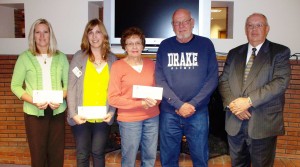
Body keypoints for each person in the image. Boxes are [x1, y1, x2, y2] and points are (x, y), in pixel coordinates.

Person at [218, 13, 291, 167]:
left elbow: (280, 82)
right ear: (246, 29)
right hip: (235, 121)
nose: (254, 29)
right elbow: (223, 80)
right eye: (250, 25)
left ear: (267, 29)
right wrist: (234, 104)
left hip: (262, 123)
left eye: (259, 25)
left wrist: (248, 101)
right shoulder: (234, 53)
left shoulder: (279, 52)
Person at [155, 9, 218, 167]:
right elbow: (160, 79)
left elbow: (212, 79)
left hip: (197, 113)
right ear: (172, 25)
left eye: (184, 21)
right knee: (168, 159)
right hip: (170, 113)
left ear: (192, 23)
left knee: (200, 158)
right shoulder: (165, 46)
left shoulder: (206, 44)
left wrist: (193, 104)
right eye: (177, 22)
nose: (181, 26)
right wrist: (179, 104)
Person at [10, 18, 69, 167]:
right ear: (33, 35)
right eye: (38, 32)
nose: (42, 36)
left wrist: (60, 98)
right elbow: (15, 86)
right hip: (33, 112)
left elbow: (69, 85)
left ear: (50, 35)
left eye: (45, 32)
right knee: (38, 155)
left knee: (56, 154)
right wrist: (33, 101)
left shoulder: (61, 57)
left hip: (57, 111)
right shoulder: (24, 58)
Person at [67, 19, 117, 167]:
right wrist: (73, 113)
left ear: (104, 35)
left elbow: (116, 89)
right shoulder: (79, 58)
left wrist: (112, 111)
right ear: (86, 36)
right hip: (81, 116)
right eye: (90, 32)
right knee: (82, 153)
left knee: (97, 152)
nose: (94, 37)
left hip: (103, 116)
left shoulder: (112, 60)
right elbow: (71, 87)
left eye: (98, 32)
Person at [108, 27, 160, 167]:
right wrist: (140, 104)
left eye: (137, 43)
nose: (134, 47)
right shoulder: (117, 66)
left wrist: (155, 101)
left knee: (150, 156)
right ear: (125, 46)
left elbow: (158, 90)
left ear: (143, 45)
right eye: (130, 43)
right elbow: (113, 98)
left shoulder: (151, 64)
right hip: (129, 120)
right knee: (129, 159)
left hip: (152, 117)